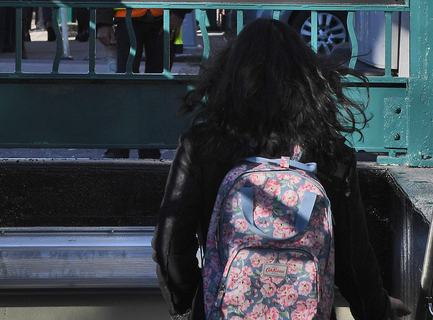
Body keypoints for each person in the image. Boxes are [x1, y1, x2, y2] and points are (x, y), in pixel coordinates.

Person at [152, 18, 411, 320]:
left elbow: (169, 245)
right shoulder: (330, 153)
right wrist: (378, 310)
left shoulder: (202, 145)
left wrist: (194, 304)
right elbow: (354, 258)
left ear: (229, 78)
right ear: (307, 80)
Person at [96, 7, 187, 160]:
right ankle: (121, 145)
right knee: (125, 87)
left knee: (155, 88)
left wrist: (179, 12)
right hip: (128, 15)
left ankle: (148, 147)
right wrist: (102, 22)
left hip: (163, 16)